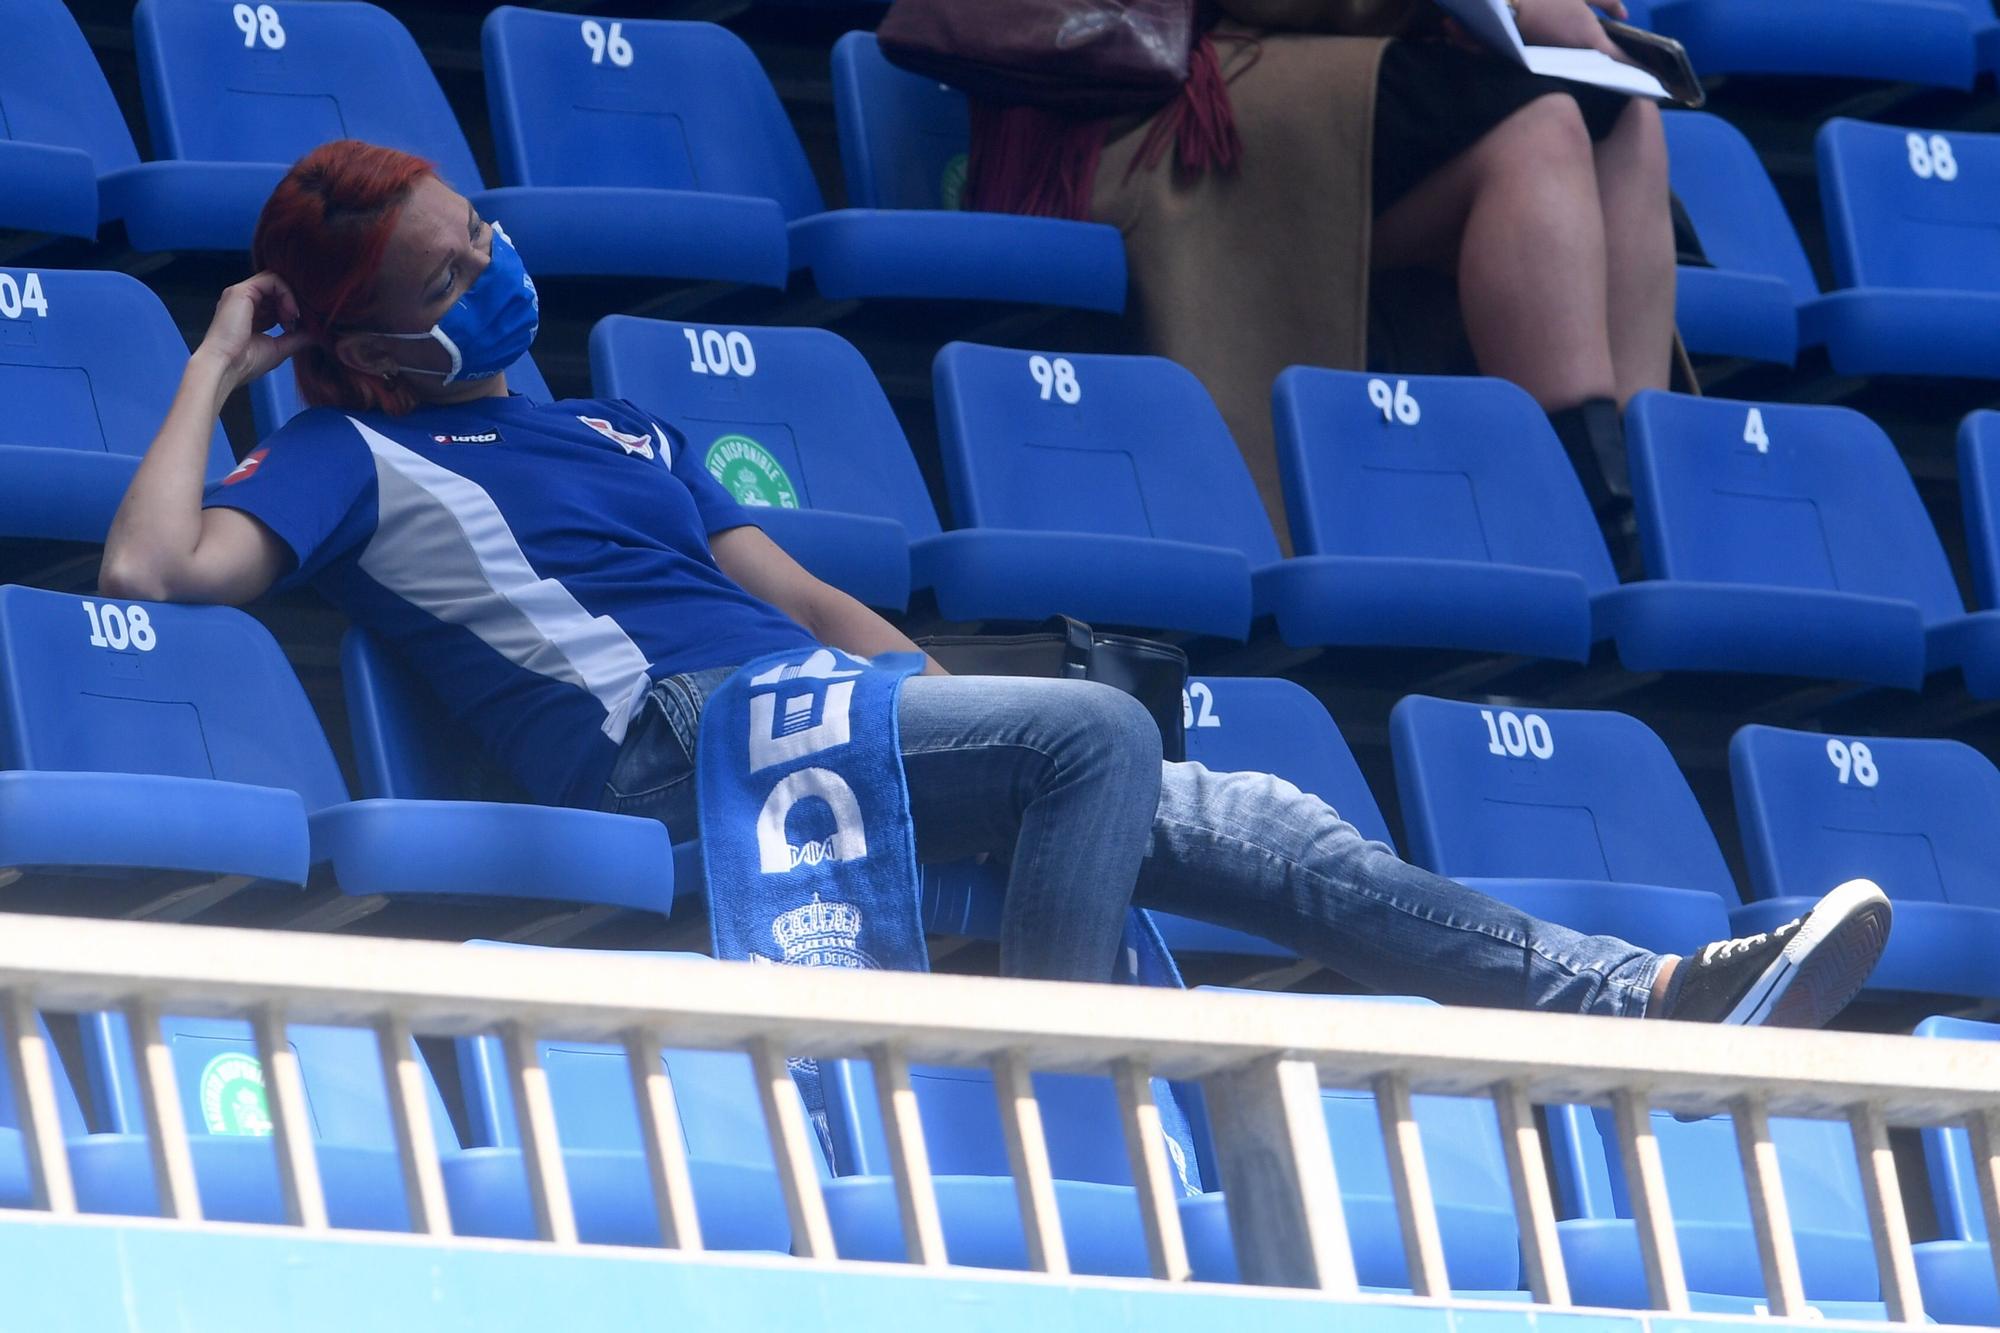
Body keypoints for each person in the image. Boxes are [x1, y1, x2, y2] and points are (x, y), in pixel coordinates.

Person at [101, 140, 1886, 1029]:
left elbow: (815, 614)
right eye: (452, 266)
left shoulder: (624, 427)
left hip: (814, 708)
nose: (497, 261)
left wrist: (948, 708)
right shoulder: (349, 452)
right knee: (1102, 738)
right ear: (383, 341)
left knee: (1245, 799)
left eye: (481, 229)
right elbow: (153, 566)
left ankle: (1629, 993)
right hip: (668, 744)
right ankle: (1051, 1060)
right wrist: (215, 366)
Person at [961, 0, 1678, 549]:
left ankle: (1645, 501)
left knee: (1622, 108)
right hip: (1140, 85)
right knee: (1543, 130)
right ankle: (1584, 517)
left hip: (1311, 50)